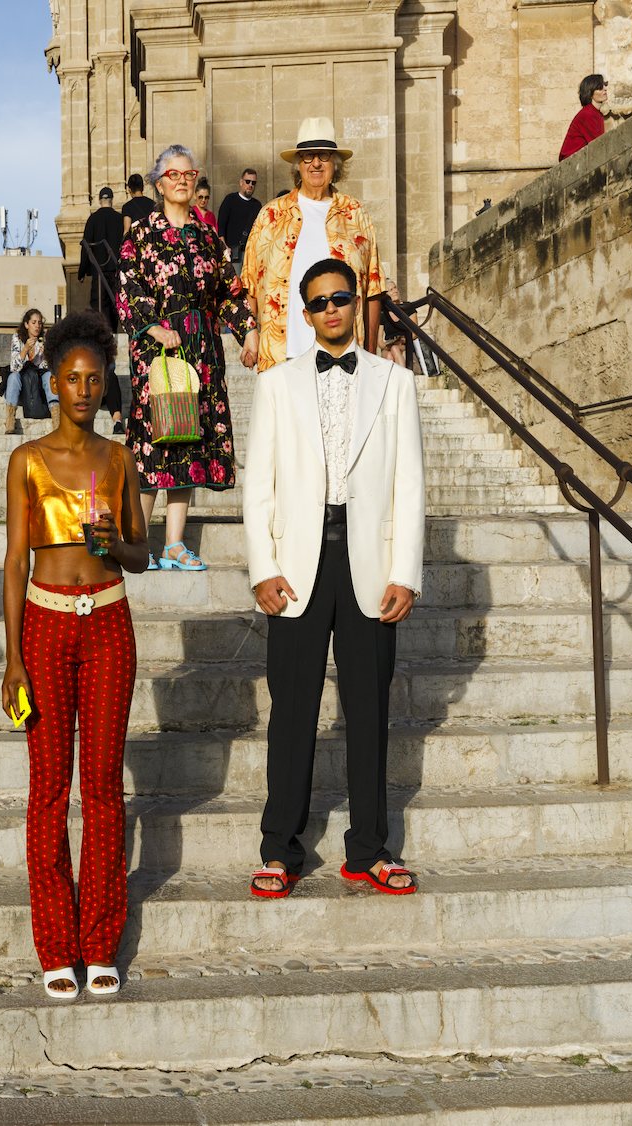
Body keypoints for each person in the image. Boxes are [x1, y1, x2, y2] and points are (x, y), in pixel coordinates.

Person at [243, 259, 425, 901]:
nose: (331, 310)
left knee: (369, 710)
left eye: (341, 298)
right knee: (291, 711)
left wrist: (406, 572)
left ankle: (369, 849)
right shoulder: (275, 385)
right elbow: (258, 485)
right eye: (319, 302)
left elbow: (409, 483)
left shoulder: (395, 382)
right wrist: (262, 568)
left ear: (356, 303)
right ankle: (279, 848)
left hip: (369, 564)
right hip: (297, 565)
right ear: (305, 311)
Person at [1, 309, 149, 1000]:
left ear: (105, 382)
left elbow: (141, 555)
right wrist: (13, 658)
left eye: (95, 379)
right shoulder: (26, 460)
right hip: (46, 624)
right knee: (49, 790)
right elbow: (14, 562)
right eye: (72, 379)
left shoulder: (119, 460)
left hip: (110, 622)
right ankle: (57, 944)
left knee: (104, 787)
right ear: (54, 382)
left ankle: (100, 941)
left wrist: (115, 542)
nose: (84, 390)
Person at [117, 144, 256, 572]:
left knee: (187, 438)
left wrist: (248, 331)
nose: (181, 181)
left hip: (201, 349)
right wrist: (153, 327)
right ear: (159, 184)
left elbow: (227, 291)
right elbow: (128, 285)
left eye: (188, 174)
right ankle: (139, 542)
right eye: (173, 175)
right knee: (153, 442)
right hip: (157, 349)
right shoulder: (141, 233)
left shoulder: (208, 236)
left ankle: (174, 544)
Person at [241, 118, 384, 373]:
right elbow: (250, 284)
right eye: (308, 156)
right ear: (298, 164)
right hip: (281, 358)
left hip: (343, 358)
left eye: (323, 155)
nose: (316, 163)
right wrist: (249, 336)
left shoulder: (355, 213)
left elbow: (373, 289)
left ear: (335, 163)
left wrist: (370, 354)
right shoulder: (271, 215)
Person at [3, 308, 56, 433]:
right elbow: (14, 367)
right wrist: (25, 349)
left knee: (49, 375)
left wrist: (45, 355)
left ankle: (56, 417)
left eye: (39, 323)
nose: (37, 326)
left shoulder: (44, 339)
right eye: (34, 322)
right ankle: (10, 419)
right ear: (26, 324)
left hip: (38, 382)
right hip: (23, 380)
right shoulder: (18, 338)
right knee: (13, 377)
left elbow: (46, 368)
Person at [77, 187, 122, 323]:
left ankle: (103, 330)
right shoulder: (119, 219)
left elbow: (86, 247)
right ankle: (113, 329)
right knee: (116, 303)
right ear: (112, 200)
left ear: (99, 200)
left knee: (99, 304)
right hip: (116, 269)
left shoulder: (93, 219)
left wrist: (82, 272)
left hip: (99, 270)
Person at [217, 168, 261, 263]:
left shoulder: (257, 205)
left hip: (251, 255)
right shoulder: (230, 200)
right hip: (232, 254)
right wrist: (225, 248)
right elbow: (221, 228)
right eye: (247, 181)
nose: (250, 185)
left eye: (253, 183)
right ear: (241, 182)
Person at [559, 74, 608, 161]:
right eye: (600, 87)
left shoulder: (595, 112)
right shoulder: (588, 114)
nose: (605, 89)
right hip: (571, 161)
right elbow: (598, 144)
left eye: (605, 85)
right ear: (590, 93)